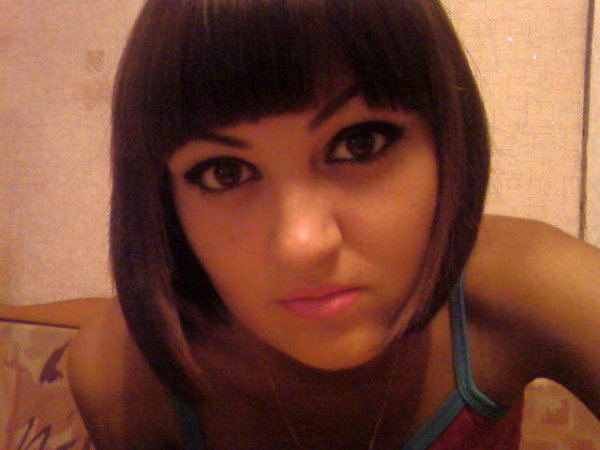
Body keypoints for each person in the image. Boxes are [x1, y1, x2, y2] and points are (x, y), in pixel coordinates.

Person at [67, 0, 600, 448]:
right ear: (163, 200)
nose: (302, 244)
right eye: (224, 172)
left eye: (359, 143)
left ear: (447, 140)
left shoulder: (530, 285)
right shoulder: (121, 377)